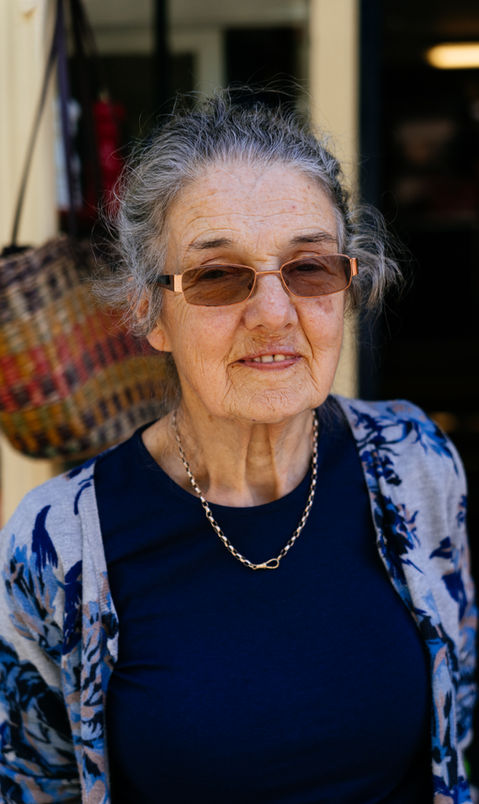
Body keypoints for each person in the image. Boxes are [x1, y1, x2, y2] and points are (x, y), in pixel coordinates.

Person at [0, 90, 476, 804]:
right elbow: (32, 789)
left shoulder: (413, 462)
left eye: (309, 268)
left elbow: (458, 735)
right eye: (218, 276)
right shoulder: (57, 542)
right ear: (149, 313)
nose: (274, 314)